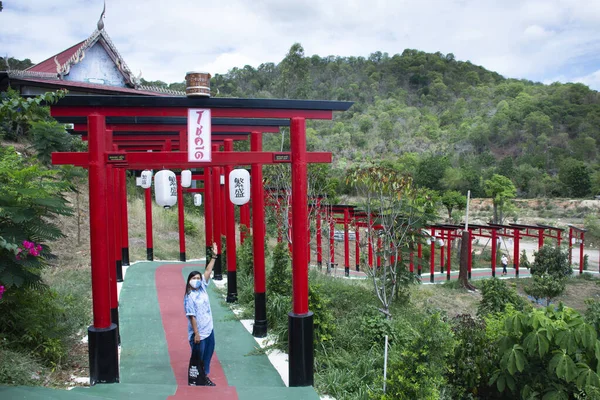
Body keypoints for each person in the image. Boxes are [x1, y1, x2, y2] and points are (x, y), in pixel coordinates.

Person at [184, 242, 218, 386]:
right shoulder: (189, 297)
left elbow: (208, 271)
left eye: (198, 278)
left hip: (208, 329)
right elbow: (192, 316)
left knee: (209, 353)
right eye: (194, 279)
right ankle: (201, 378)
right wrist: (196, 333)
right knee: (200, 356)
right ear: (189, 281)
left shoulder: (202, 288)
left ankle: (204, 374)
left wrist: (214, 256)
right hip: (198, 333)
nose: (197, 280)